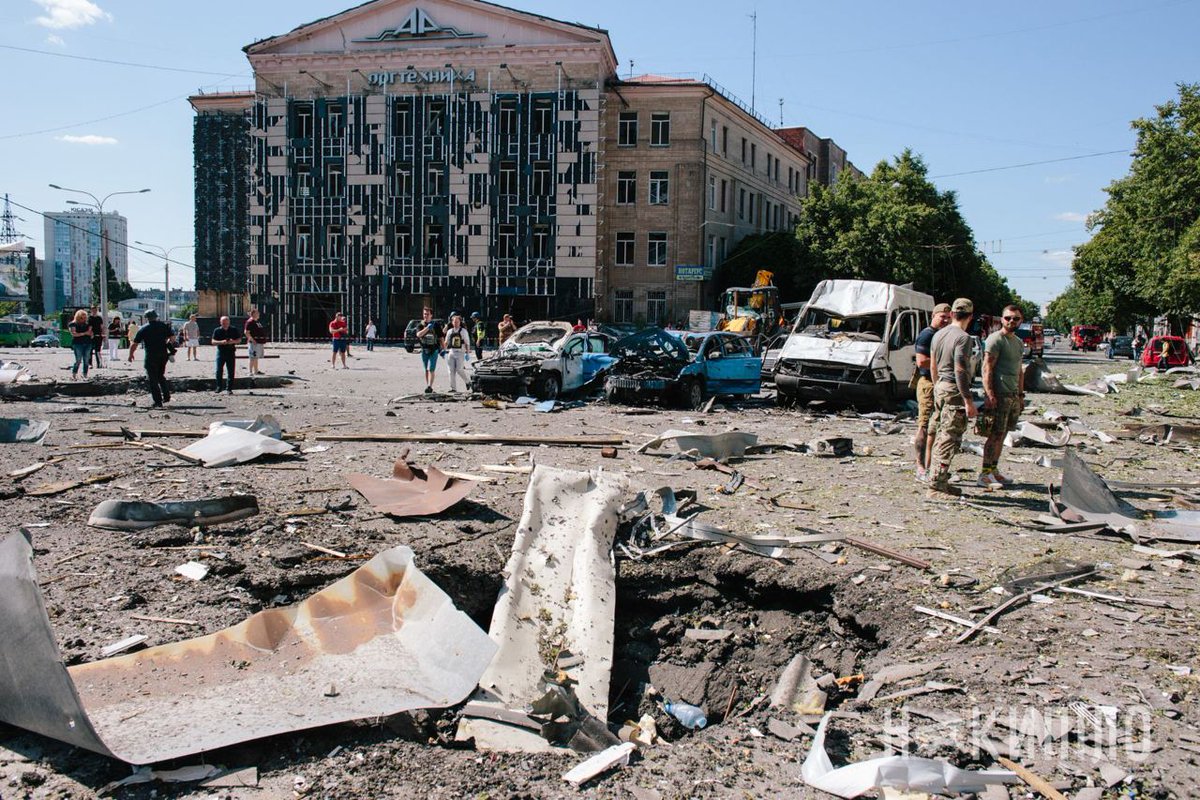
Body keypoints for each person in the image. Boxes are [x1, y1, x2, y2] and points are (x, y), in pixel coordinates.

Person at [926, 298, 978, 499]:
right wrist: (968, 400)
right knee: (948, 438)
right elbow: (960, 369)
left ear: (953, 314)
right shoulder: (963, 338)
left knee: (940, 433)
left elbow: (933, 366)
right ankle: (936, 486)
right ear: (970, 316)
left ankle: (941, 481)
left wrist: (938, 386)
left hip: (940, 386)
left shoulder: (939, 334)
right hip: (953, 390)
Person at [980, 304, 1026, 488]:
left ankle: (993, 470)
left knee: (1003, 434)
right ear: (1002, 319)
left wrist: (1021, 395)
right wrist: (989, 394)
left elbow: (1020, 370)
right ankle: (984, 474)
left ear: (1021, 321)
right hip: (999, 394)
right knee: (994, 435)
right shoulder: (995, 339)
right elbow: (987, 368)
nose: (1011, 321)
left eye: (1015, 318)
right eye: (1008, 318)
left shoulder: (1018, 342)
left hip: (1013, 395)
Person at [913, 302, 952, 481]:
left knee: (936, 428)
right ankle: (920, 467)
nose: (945, 320)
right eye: (941, 316)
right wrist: (943, 363)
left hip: (941, 384)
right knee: (924, 425)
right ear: (933, 316)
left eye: (948, 317)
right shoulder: (927, 334)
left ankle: (931, 466)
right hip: (928, 384)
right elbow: (921, 362)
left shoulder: (944, 335)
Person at [128, 309, 173, 408]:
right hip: (163, 354)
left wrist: (131, 354)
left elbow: (134, 344)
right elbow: (172, 338)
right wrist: (167, 344)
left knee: (152, 379)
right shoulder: (163, 326)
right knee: (160, 375)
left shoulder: (144, 328)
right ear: (156, 316)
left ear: (146, 318)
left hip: (151, 356)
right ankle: (166, 396)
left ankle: (158, 401)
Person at [415, 307, 443, 393]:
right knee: (426, 369)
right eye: (424, 314)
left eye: (427, 314)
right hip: (424, 350)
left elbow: (441, 338)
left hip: (434, 349)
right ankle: (428, 385)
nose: (425, 316)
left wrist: (443, 349)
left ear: (431, 315)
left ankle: (430, 386)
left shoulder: (436, 325)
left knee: (431, 368)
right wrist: (427, 328)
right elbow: (419, 335)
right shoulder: (420, 325)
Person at [211, 315, 241, 395]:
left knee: (231, 371)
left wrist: (232, 341)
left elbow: (239, 340)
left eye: (227, 323)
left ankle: (229, 389)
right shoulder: (217, 330)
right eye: (223, 323)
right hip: (221, 352)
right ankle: (219, 387)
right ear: (220, 323)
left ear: (229, 322)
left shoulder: (234, 329)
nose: (225, 324)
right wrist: (222, 342)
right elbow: (213, 342)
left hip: (231, 352)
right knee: (218, 370)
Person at [443, 313, 472, 392]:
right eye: (454, 322)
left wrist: (467, 353)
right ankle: (453, 388)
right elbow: (446, 341)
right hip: (451, 352)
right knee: (450, 371)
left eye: (457, 322)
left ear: (460, 322)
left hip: (460, 352)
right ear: (452, 322)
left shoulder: (463, 331)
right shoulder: (449, 331)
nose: (455, 323)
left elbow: (467, 343)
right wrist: (443, 349)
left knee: (459, 369)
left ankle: (468, 381)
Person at [68, 308, 93, 380]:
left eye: (85, 317)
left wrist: (91, 334)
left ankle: (85, 374)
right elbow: (74, 334)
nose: (84, 319)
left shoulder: (87, 324)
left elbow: (91, 334)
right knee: (78, 360)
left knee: (86, 359)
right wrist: (85, 333)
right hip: (78, 343)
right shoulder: (73, 324)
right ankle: (74, 373)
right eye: (82, 317)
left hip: (88, 343)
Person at [244, 308, 267, 375]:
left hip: (259, 341)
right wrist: (252, 340)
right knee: (252, 357)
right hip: (254, 342)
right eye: (257, 313)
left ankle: (256, 371)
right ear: (253, 314)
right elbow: (246, 332)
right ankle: (250, 371)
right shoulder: (250, 322)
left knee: (256, 357)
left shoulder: (256, 321)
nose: (258, 314)